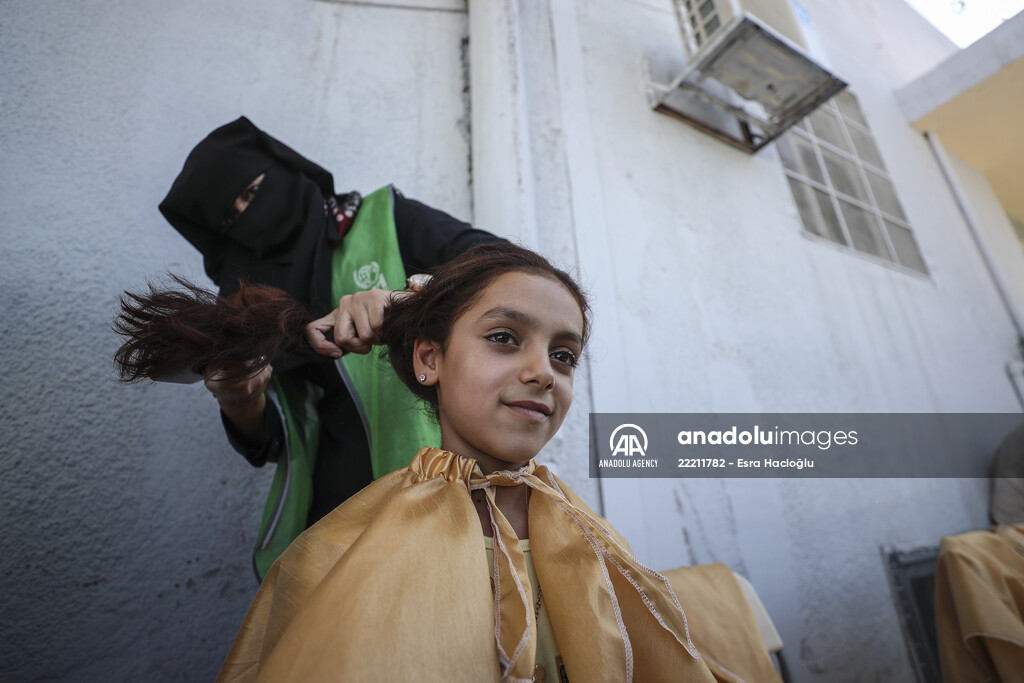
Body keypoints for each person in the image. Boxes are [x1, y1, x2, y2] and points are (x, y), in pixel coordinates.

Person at [214, 243, 782, 683]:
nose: (543, 372)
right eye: (505, 338)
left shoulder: (588, 534)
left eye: (564, 355)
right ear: (430, 357)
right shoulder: (343, 548)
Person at [157, 117, 504, 578]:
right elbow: (275, 441)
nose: (248, 212)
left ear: (284, 167)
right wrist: (240, 399)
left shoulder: (384, 219)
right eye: (230, 216)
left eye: (253, 190)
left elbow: (504, 274)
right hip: (332, 516)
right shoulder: (250, 303)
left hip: (435, 481)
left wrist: (405, 299)